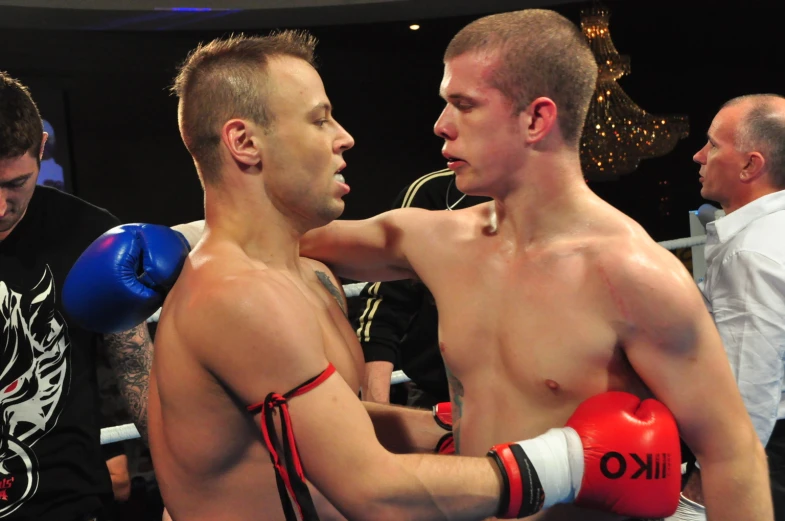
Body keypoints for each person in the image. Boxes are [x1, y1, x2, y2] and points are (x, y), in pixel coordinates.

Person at [64, 31, 684, 521]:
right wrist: (572, 460)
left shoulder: (310, 276)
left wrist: (458, 432)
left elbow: (339, 423)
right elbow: (373, 490)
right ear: (245, 144)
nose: (345, 138)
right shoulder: (237, 295)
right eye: (319, 119)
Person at [297, 9, 773, 521]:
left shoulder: (632, 274)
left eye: (464, 105)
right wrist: (194, 241)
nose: (441, 126)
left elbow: (732, 454)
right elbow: (279, 238)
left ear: (536, 119)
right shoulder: (435, 238)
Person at [0, 71, 152, 521]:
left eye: (16, 183)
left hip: (65, 504)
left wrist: (189, 489)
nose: (0, 207)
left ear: (42, 149)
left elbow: (137, 371)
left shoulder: (89, 235)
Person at [678, 94, 785, 520]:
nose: (699, 155)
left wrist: (700, 493)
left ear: (750, 166)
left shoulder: (752, 254)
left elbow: (748, 390)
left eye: (713, 145)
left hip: (766, 454)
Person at [355, 169, 489, 406]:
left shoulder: (560, 205)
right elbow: (385, 307)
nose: (442, 130)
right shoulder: (436, 192)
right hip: (436, 397)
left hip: (539, 403)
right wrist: (377, 412)